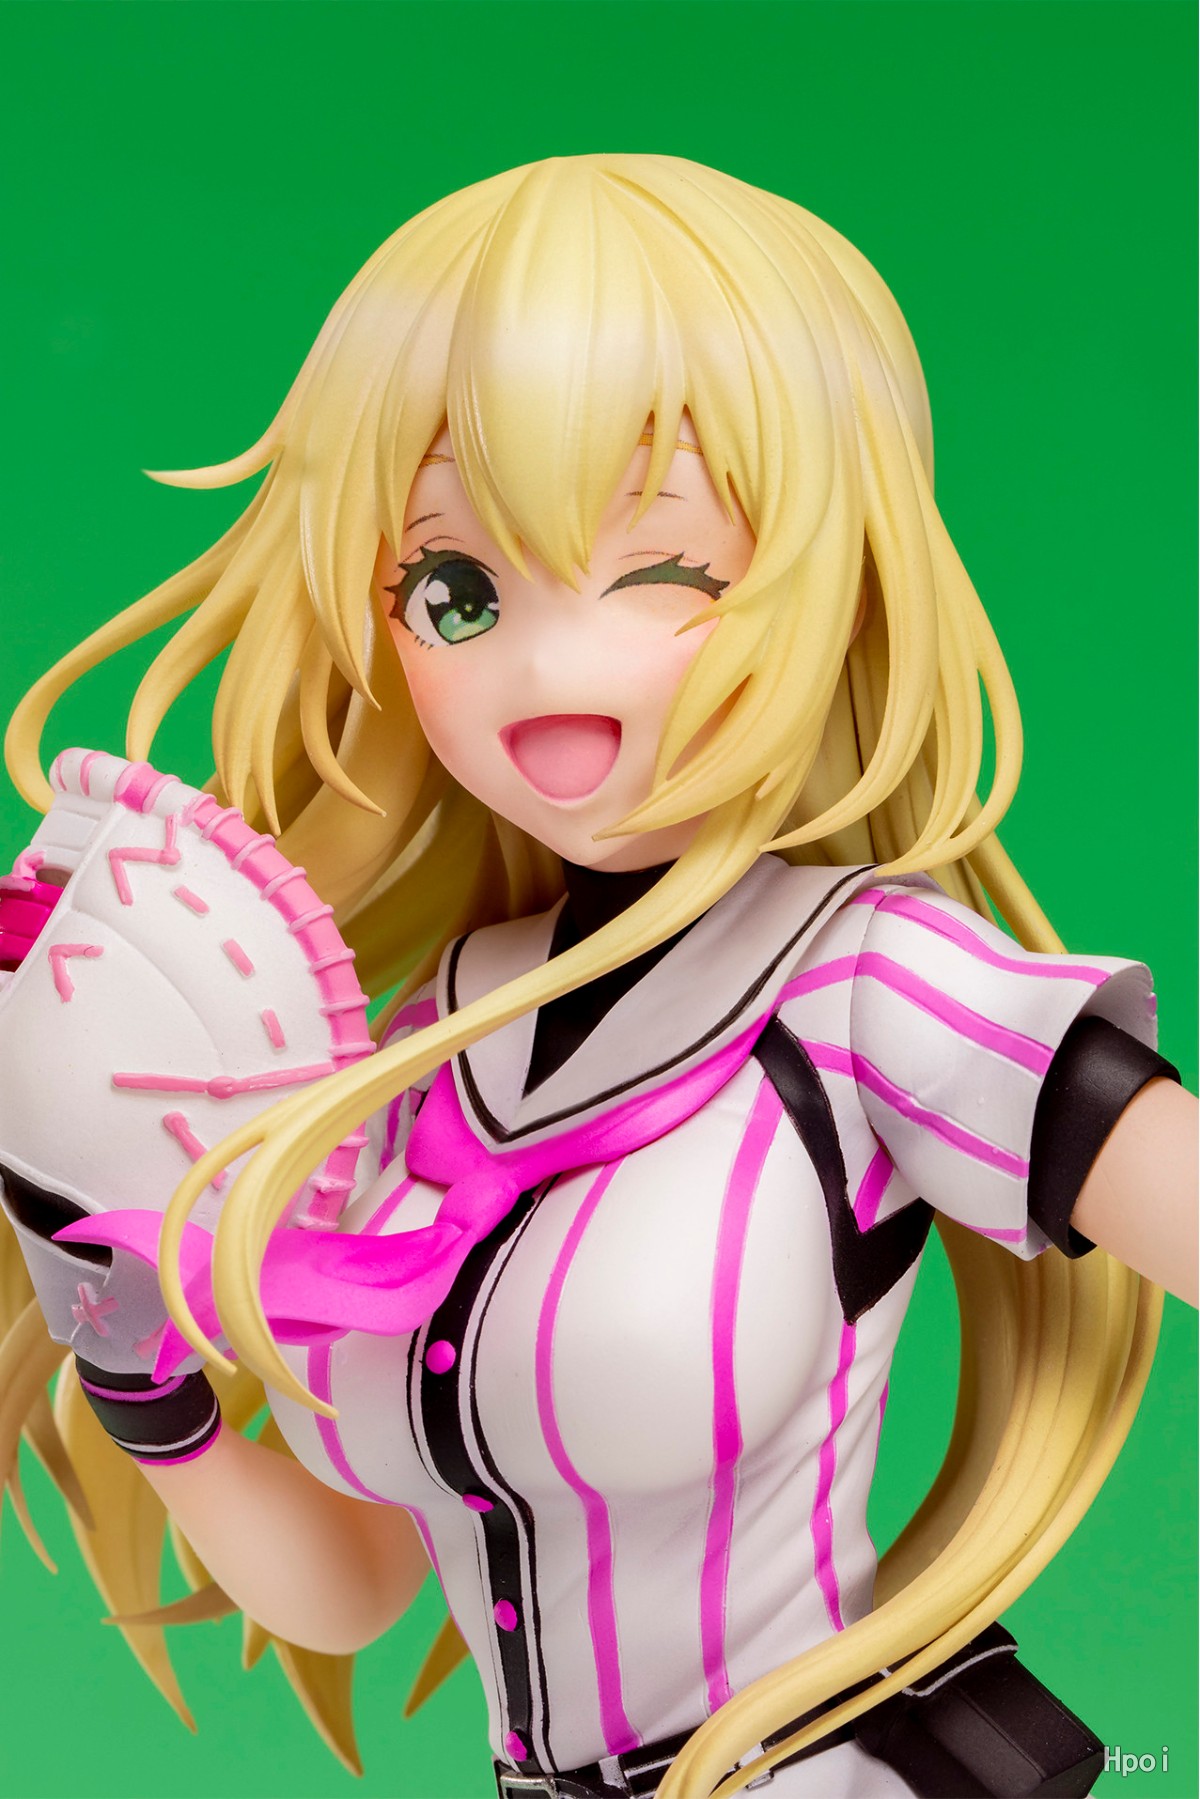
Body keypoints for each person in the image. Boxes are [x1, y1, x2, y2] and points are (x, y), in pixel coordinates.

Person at [0, 155, 1194, 1799]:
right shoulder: (424, 1049)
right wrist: (132, 1364)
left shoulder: (867, 994)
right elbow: (355, 1583)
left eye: (674, 574)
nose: (552, 670)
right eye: (456, 592)